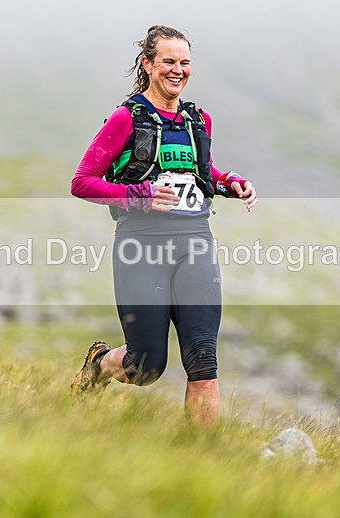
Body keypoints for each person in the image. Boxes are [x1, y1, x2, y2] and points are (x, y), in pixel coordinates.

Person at [70, 25, 257, 425]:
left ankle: (202, 460)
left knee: (204, 359)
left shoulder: (197, 119)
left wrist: (229, 184)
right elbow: (82, 182)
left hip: (195, 244)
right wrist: (139, 195)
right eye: (168, 62)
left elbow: (199, 172)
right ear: (148, 64)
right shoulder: (126, 118)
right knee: (146, 366)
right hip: (142, 246)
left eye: (184, 63)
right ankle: (100, 365)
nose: (178, 70)